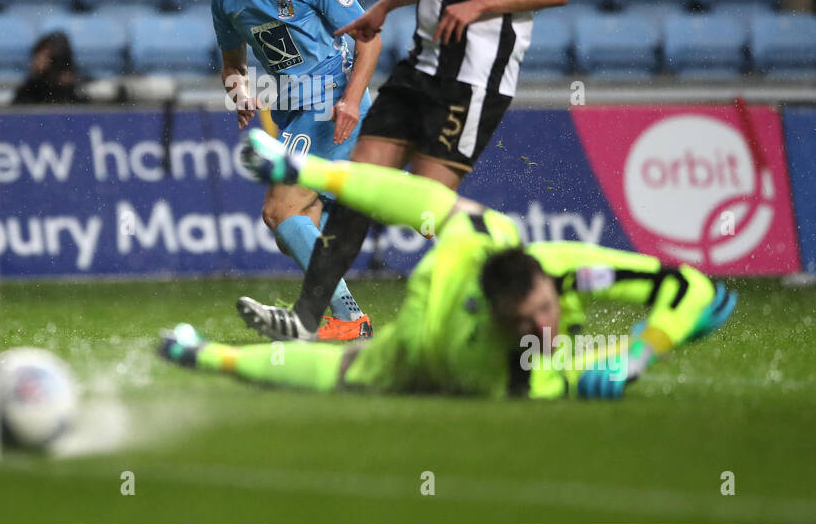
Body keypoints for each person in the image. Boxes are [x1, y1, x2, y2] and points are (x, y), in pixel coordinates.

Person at [236, 0, 570, 343]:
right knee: (364, 187)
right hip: (421, 63)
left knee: (431, 205)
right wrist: (384, 7)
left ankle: (527, 291)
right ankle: (318, 315)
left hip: (475, 74)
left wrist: (481, 6)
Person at [159, 130, 738, 399]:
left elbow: (690, 286)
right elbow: (564, 378)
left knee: (436, 209)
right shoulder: (488, 367)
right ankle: (205, 354)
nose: (543, 325)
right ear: (496, 319)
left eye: (544, 307)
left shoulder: (536, 255)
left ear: (545, 278)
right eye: (527, 322)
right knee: (343, 374)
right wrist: (618, 363)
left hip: (460, 276)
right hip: (417, 345)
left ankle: (196, 352)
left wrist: (644, 349)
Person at [211, 0, 381, 340]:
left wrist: (350, 99)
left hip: (331, 102)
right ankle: (348, 317)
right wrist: (240, 93)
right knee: (295, 228)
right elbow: (232, 66)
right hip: (292, 110)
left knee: (280, 210)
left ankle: (345, 318)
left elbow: (369, 37)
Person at [13, 31, 86, 104]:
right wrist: (37, 77)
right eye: (45, 56)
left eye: (55, 59)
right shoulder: (28, 92)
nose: (53, 63)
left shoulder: (78, 89)